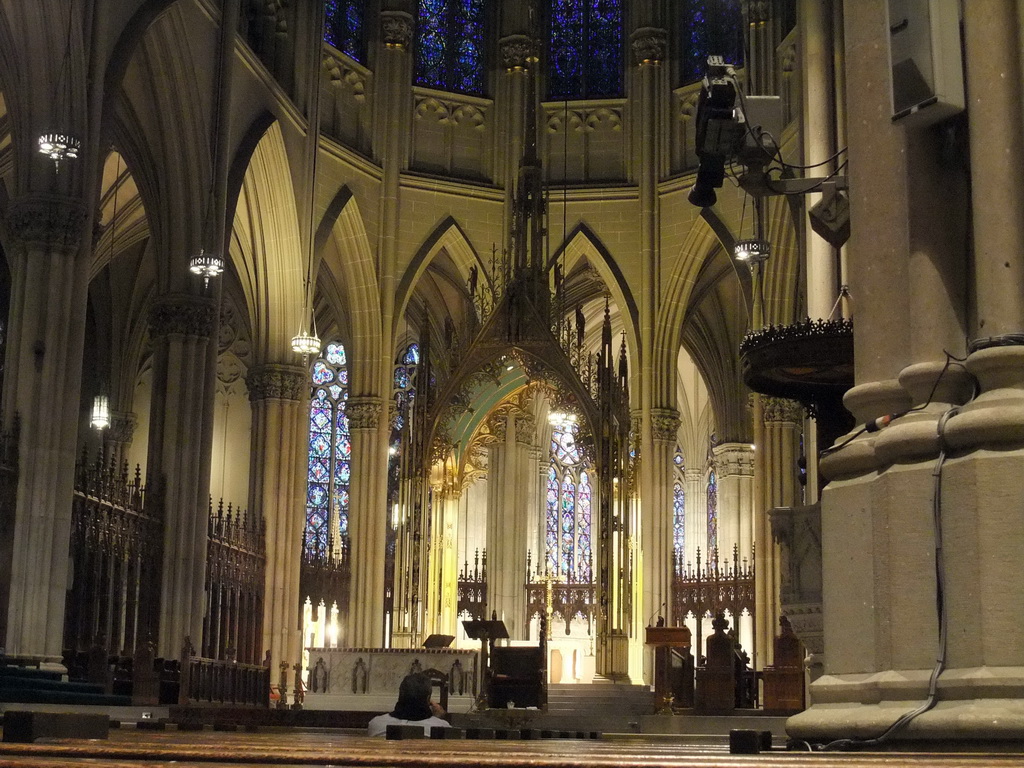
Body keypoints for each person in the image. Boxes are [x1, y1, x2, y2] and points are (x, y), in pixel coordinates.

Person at [367, 673, 451, 737]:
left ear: (400, 695)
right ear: (428, 699)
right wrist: (436, 719)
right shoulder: (442, 728)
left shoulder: (376, 724)